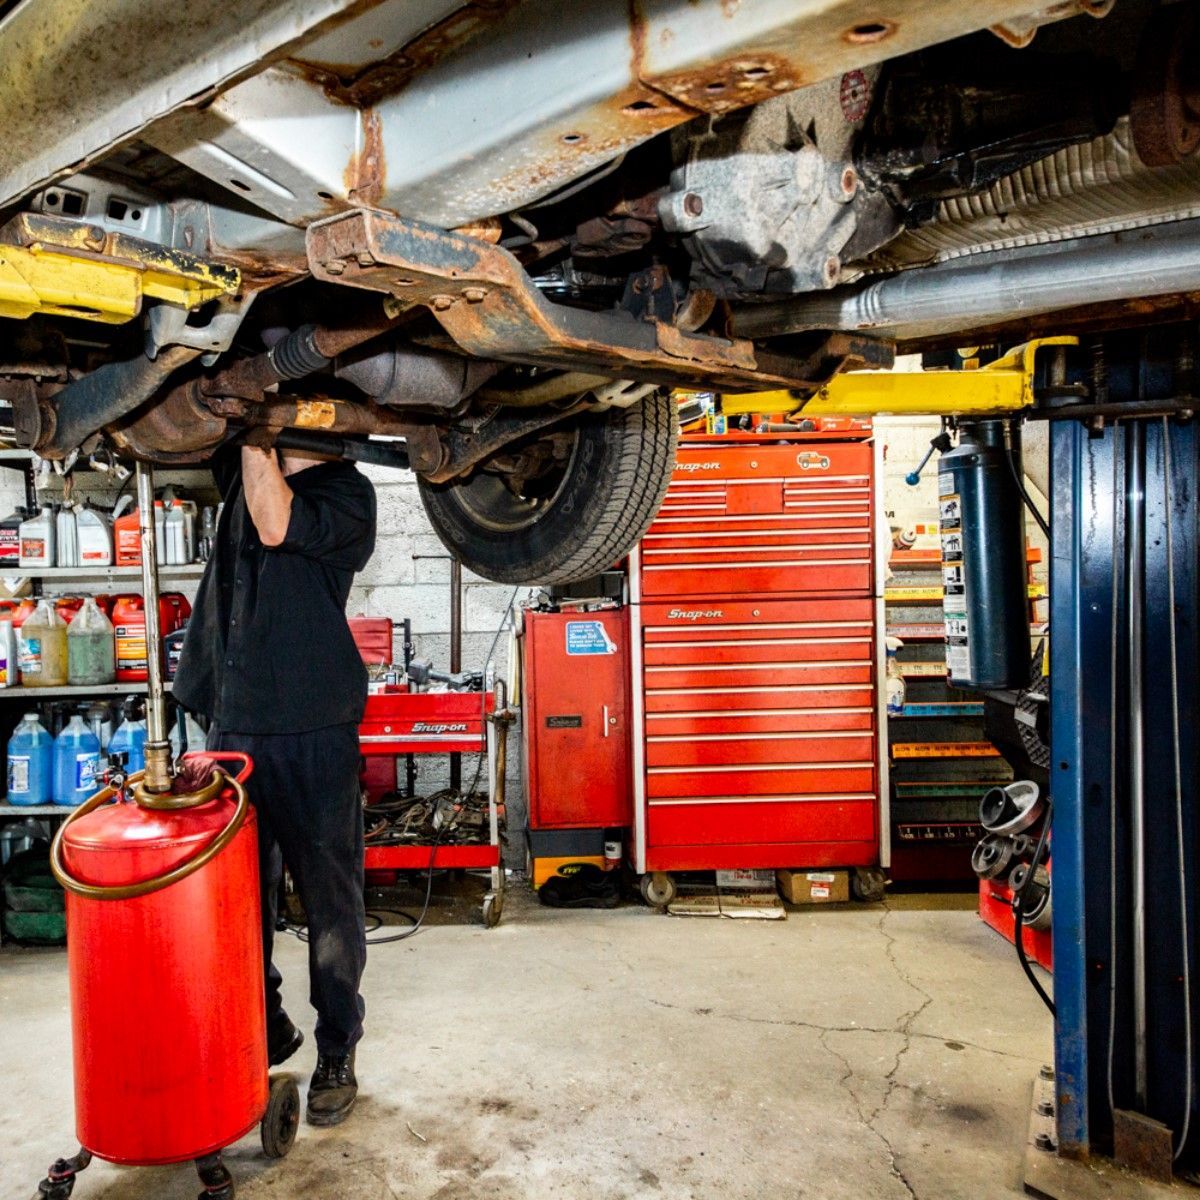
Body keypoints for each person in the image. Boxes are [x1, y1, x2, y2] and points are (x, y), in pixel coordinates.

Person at [174, 435, 376, 1127]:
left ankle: (337, 1051)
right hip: (235, 733)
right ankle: (266, 1026)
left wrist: (259, 412)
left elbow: (274, 521)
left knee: (330, 907)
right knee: (232, 907)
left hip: (313, 730)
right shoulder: (243, 473)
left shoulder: (348, 496)